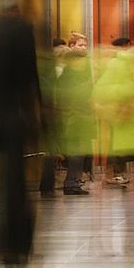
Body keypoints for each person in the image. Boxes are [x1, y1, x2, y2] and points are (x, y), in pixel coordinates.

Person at [0, 0, 47, 268]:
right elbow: (31, 77)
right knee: (19, 184)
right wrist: (39, 115)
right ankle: (17, 242)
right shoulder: (23, 32)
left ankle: (2, 240)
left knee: (2, 183)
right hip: (19, 119)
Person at [93, 36, 134, 186]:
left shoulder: (121, 63)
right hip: (117, 109)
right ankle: (113, 174)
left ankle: (118, 172)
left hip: (122, 109)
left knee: (121, 142)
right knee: (116, 143)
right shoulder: (116, 64)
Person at [43, 36, 95, 196]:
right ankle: (70, 182)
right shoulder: (69, 74)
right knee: (75, 150)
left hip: (71, 116)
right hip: (71, 117)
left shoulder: (65, 73)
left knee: (74, 151)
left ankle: (67, 182)